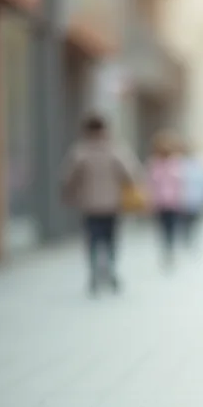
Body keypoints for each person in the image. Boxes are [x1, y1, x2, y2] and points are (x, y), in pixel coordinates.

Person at [61, 115, 139, 294]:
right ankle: (110, 268)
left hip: (89, 205)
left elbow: (68, 177)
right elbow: (131, 173)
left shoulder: (80, 151)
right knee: (110, 239)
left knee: (93, 239)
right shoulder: (115, 150)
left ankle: (94, 272)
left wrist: (69, 195)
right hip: (112, 204)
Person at [146, 130, 186, 264]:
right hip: (159, 202)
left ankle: (170, 248)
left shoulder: (175, 162)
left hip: (173, 202)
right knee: (162, 227)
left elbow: (181, 182)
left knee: (172, 227)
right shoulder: (154, 163)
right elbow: (151, 182)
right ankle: (166, 248)